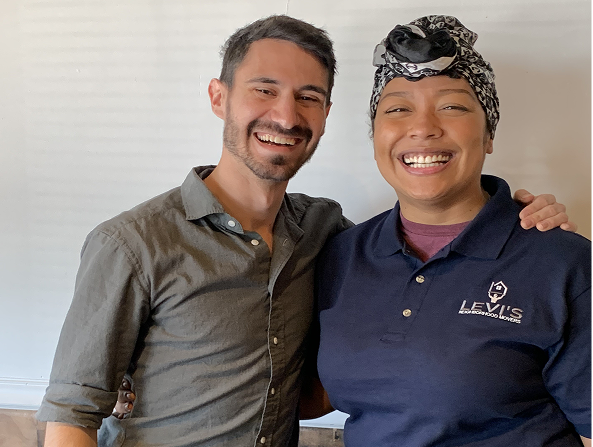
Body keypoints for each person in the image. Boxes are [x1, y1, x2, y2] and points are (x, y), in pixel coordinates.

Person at [36, 15, 576, 447]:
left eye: (308, 97)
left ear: (325, 114)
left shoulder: (328, 235)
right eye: (263, 89)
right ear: (219, 97)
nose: (286, 115)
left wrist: (530, 224)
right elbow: (71, 412)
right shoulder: (133, 243)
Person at [314, 15, 592, 447]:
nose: (423, 127)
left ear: (489, 134)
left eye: (452, 106)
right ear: (375, 135)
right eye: (398, 109)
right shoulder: (341, 255)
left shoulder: (562, 263)